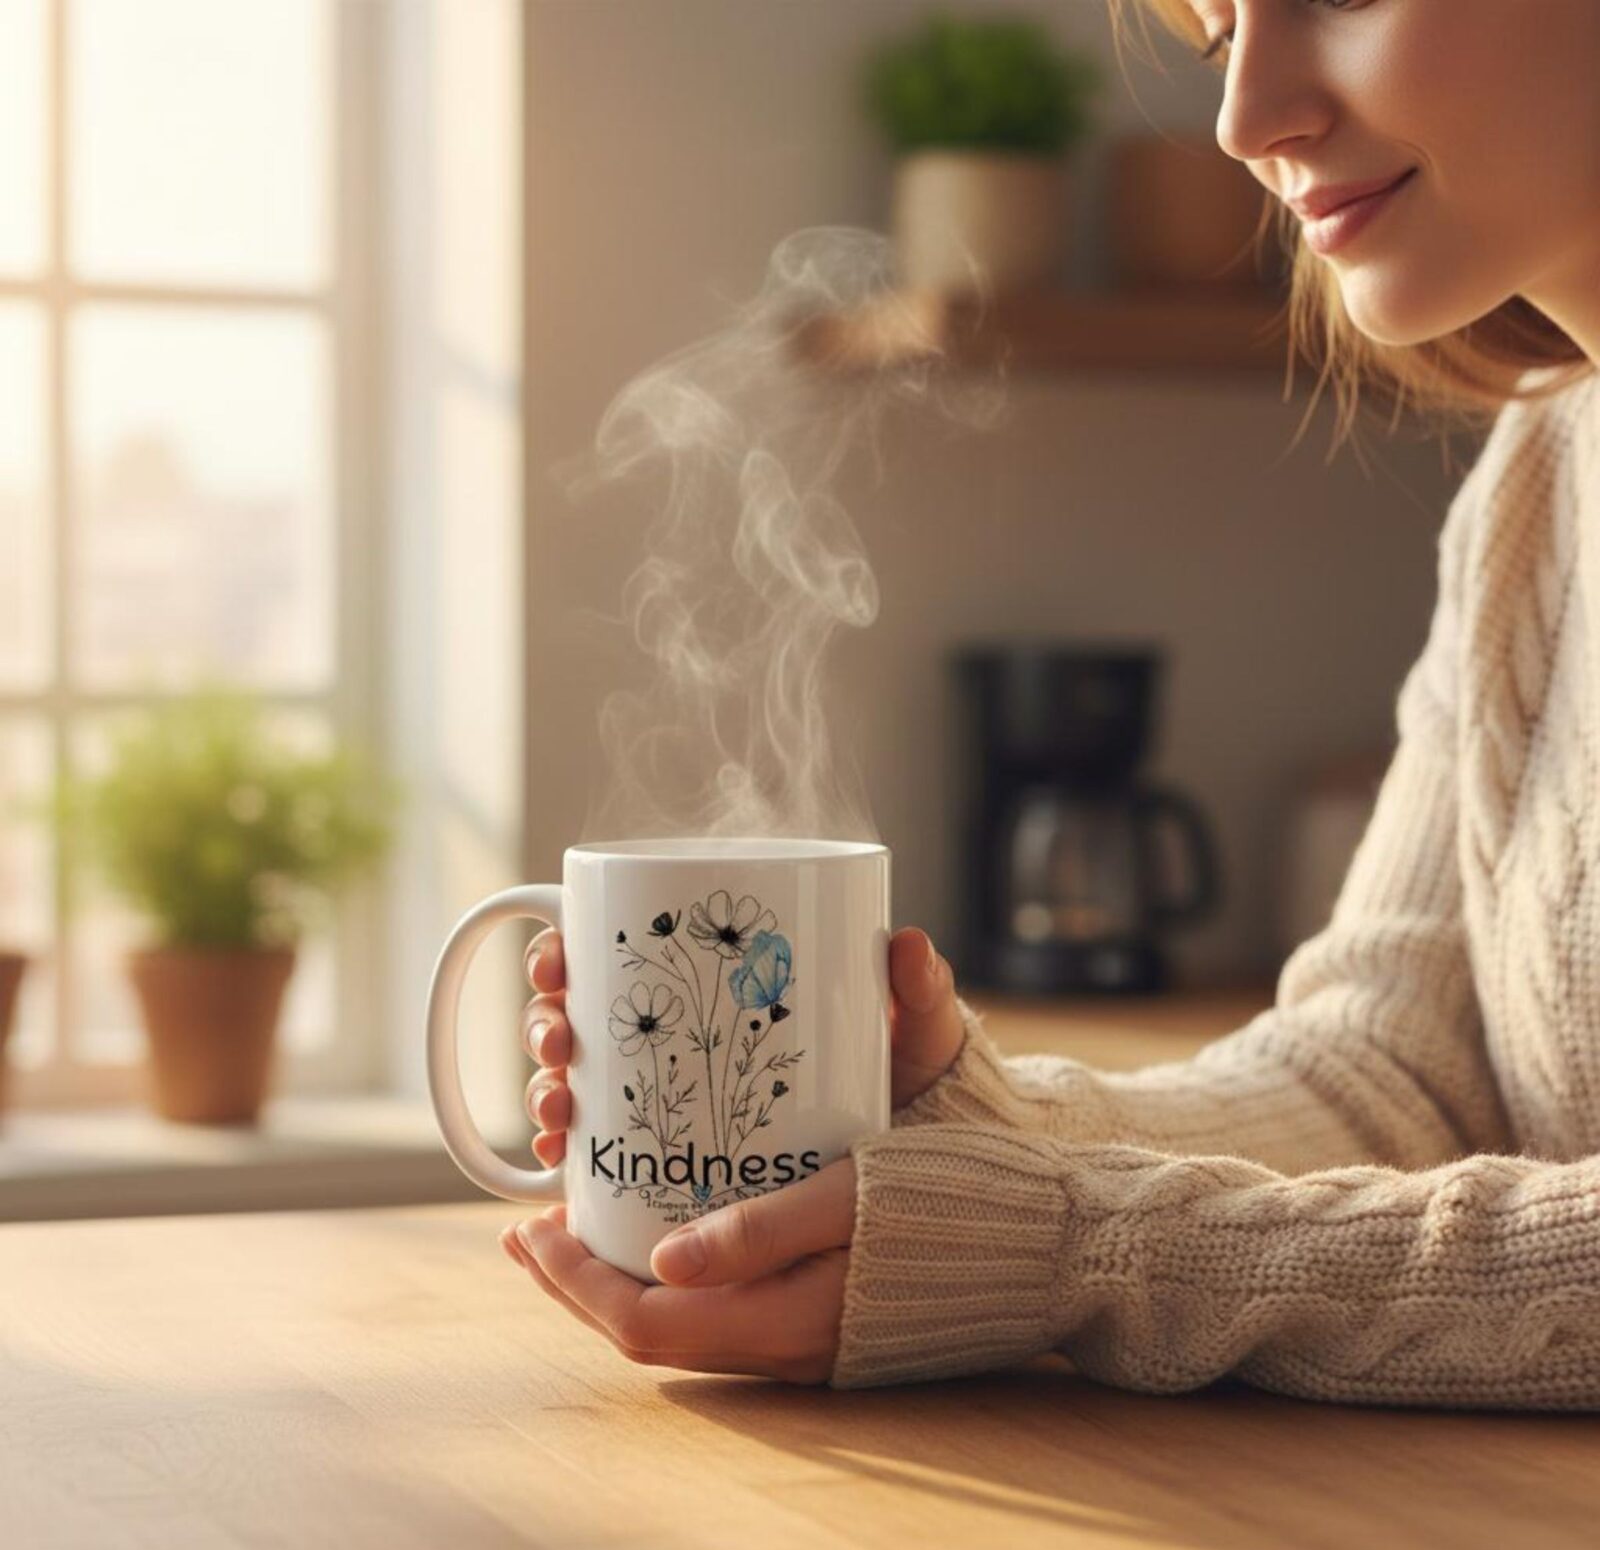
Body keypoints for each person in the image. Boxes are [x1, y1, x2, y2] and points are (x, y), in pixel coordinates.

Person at [501, 0, 1600, 1406]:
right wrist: (947, 1132)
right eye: (1215, 35)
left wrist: (1077, 1247)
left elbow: (1146, 1240)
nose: (1246, 121)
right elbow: (1388, 1085)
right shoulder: (1540, 486)